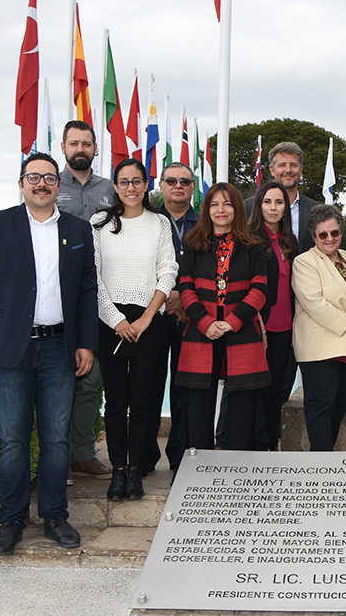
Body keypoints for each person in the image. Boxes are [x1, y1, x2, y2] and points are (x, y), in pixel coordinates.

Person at [0, 152, 97, 556]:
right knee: (12, 441)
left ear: (59, 185)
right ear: (21, 183)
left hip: (60, 348)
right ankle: (11, 520)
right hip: (10, 350)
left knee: (56, 440)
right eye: (33, 177)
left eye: (49, 178)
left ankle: (55, 517)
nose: (42, 184)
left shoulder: (78, 229)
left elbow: (86, 290)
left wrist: (86, 342)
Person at [90, 159, 178, 502]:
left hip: (149, 320)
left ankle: (136, 469)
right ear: (115, 186)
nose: (130, 188)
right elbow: (93, 277)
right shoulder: (100, 223)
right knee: (116, 400)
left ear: (146, 185)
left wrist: (145, 319)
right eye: (123, 182)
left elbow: (168, 271)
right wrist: (116, 320)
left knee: (143, 399)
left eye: (137, 181)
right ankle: (117, 469)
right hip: (110, 321)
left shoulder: (159, 223)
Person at [177, 183, 272, 451]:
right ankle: (197, 467)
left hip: (241, 331)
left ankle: (239, 468)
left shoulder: (253, 245)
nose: (221, 210)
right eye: (215, 204)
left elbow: (260, 290)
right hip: (201, 332)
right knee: (199, 405)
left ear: (237, 209)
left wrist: (233, 321)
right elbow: (186, 288)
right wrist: (205, 323)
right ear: (207, 209)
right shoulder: (193, 244)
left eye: (227, 204)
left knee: (243, 404)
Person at [55, 120, 115, 482]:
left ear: (95, 149)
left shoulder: (110, 189)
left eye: (86, 143)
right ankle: (55, 457)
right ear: (63, 147)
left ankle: (81, 452)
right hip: (55, 295)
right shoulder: (49, 185)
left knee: (91, 379)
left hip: (98, 294)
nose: (80, 149)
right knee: (56, 379)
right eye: (74, 143)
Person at [292, 205, 346, 451]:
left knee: (339, 406)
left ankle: (327, 458)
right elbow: (314, 302)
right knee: (321, 407)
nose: (330, 239)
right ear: (313, 237)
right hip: (319, 348)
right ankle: (320, 462)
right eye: (323, 235)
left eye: (334, 233)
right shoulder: (304, 262)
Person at [148, 162, 199, 475]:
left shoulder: (204, 222)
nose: (178, 185)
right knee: (150, 385)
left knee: (184, 388)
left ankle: (180, 455)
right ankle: (145, 456)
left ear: (192, 187)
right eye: (171, 181)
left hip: (189, 315)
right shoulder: (147, 220)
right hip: (154, 314)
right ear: (161, 186)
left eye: (185, 181)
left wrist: (182, 294)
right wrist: (166, 295)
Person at [248, 180, 298, 450]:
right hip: (258, 327)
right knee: (256, 388)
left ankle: (269, 442)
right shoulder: (249, 239)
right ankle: (254, 443)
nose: (273, 207)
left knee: (278, 387)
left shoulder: (291, 242)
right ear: (259, 205)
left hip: (285, 329)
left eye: (279, 202)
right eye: (268, 201)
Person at [243, 142, 319, 254]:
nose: (288, 170)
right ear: (272, 170)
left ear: (301, 170)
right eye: (282, 165)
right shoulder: (249, 207)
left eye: (293, 165)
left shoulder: (315, 210)